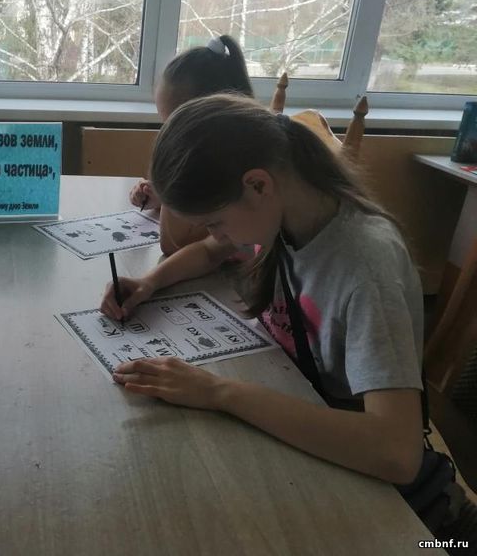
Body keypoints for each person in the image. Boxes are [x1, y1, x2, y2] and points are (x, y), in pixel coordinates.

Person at [103, 94, 425, 485]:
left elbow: (396, 451)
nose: (215, 233)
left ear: (257, 185)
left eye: (215, 221)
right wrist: (149, 282)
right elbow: (210, 252)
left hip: (344, 453)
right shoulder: (285, 209)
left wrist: (219, 392)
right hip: (285, 388)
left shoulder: (366, 268)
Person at [129, 35, 253, 255]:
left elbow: (172, 244)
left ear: (211, 118)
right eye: (165, 124)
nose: (168, 135)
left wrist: (170, 184)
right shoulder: (214, 152)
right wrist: (161, 196)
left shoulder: (239, 168)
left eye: (174, 124)